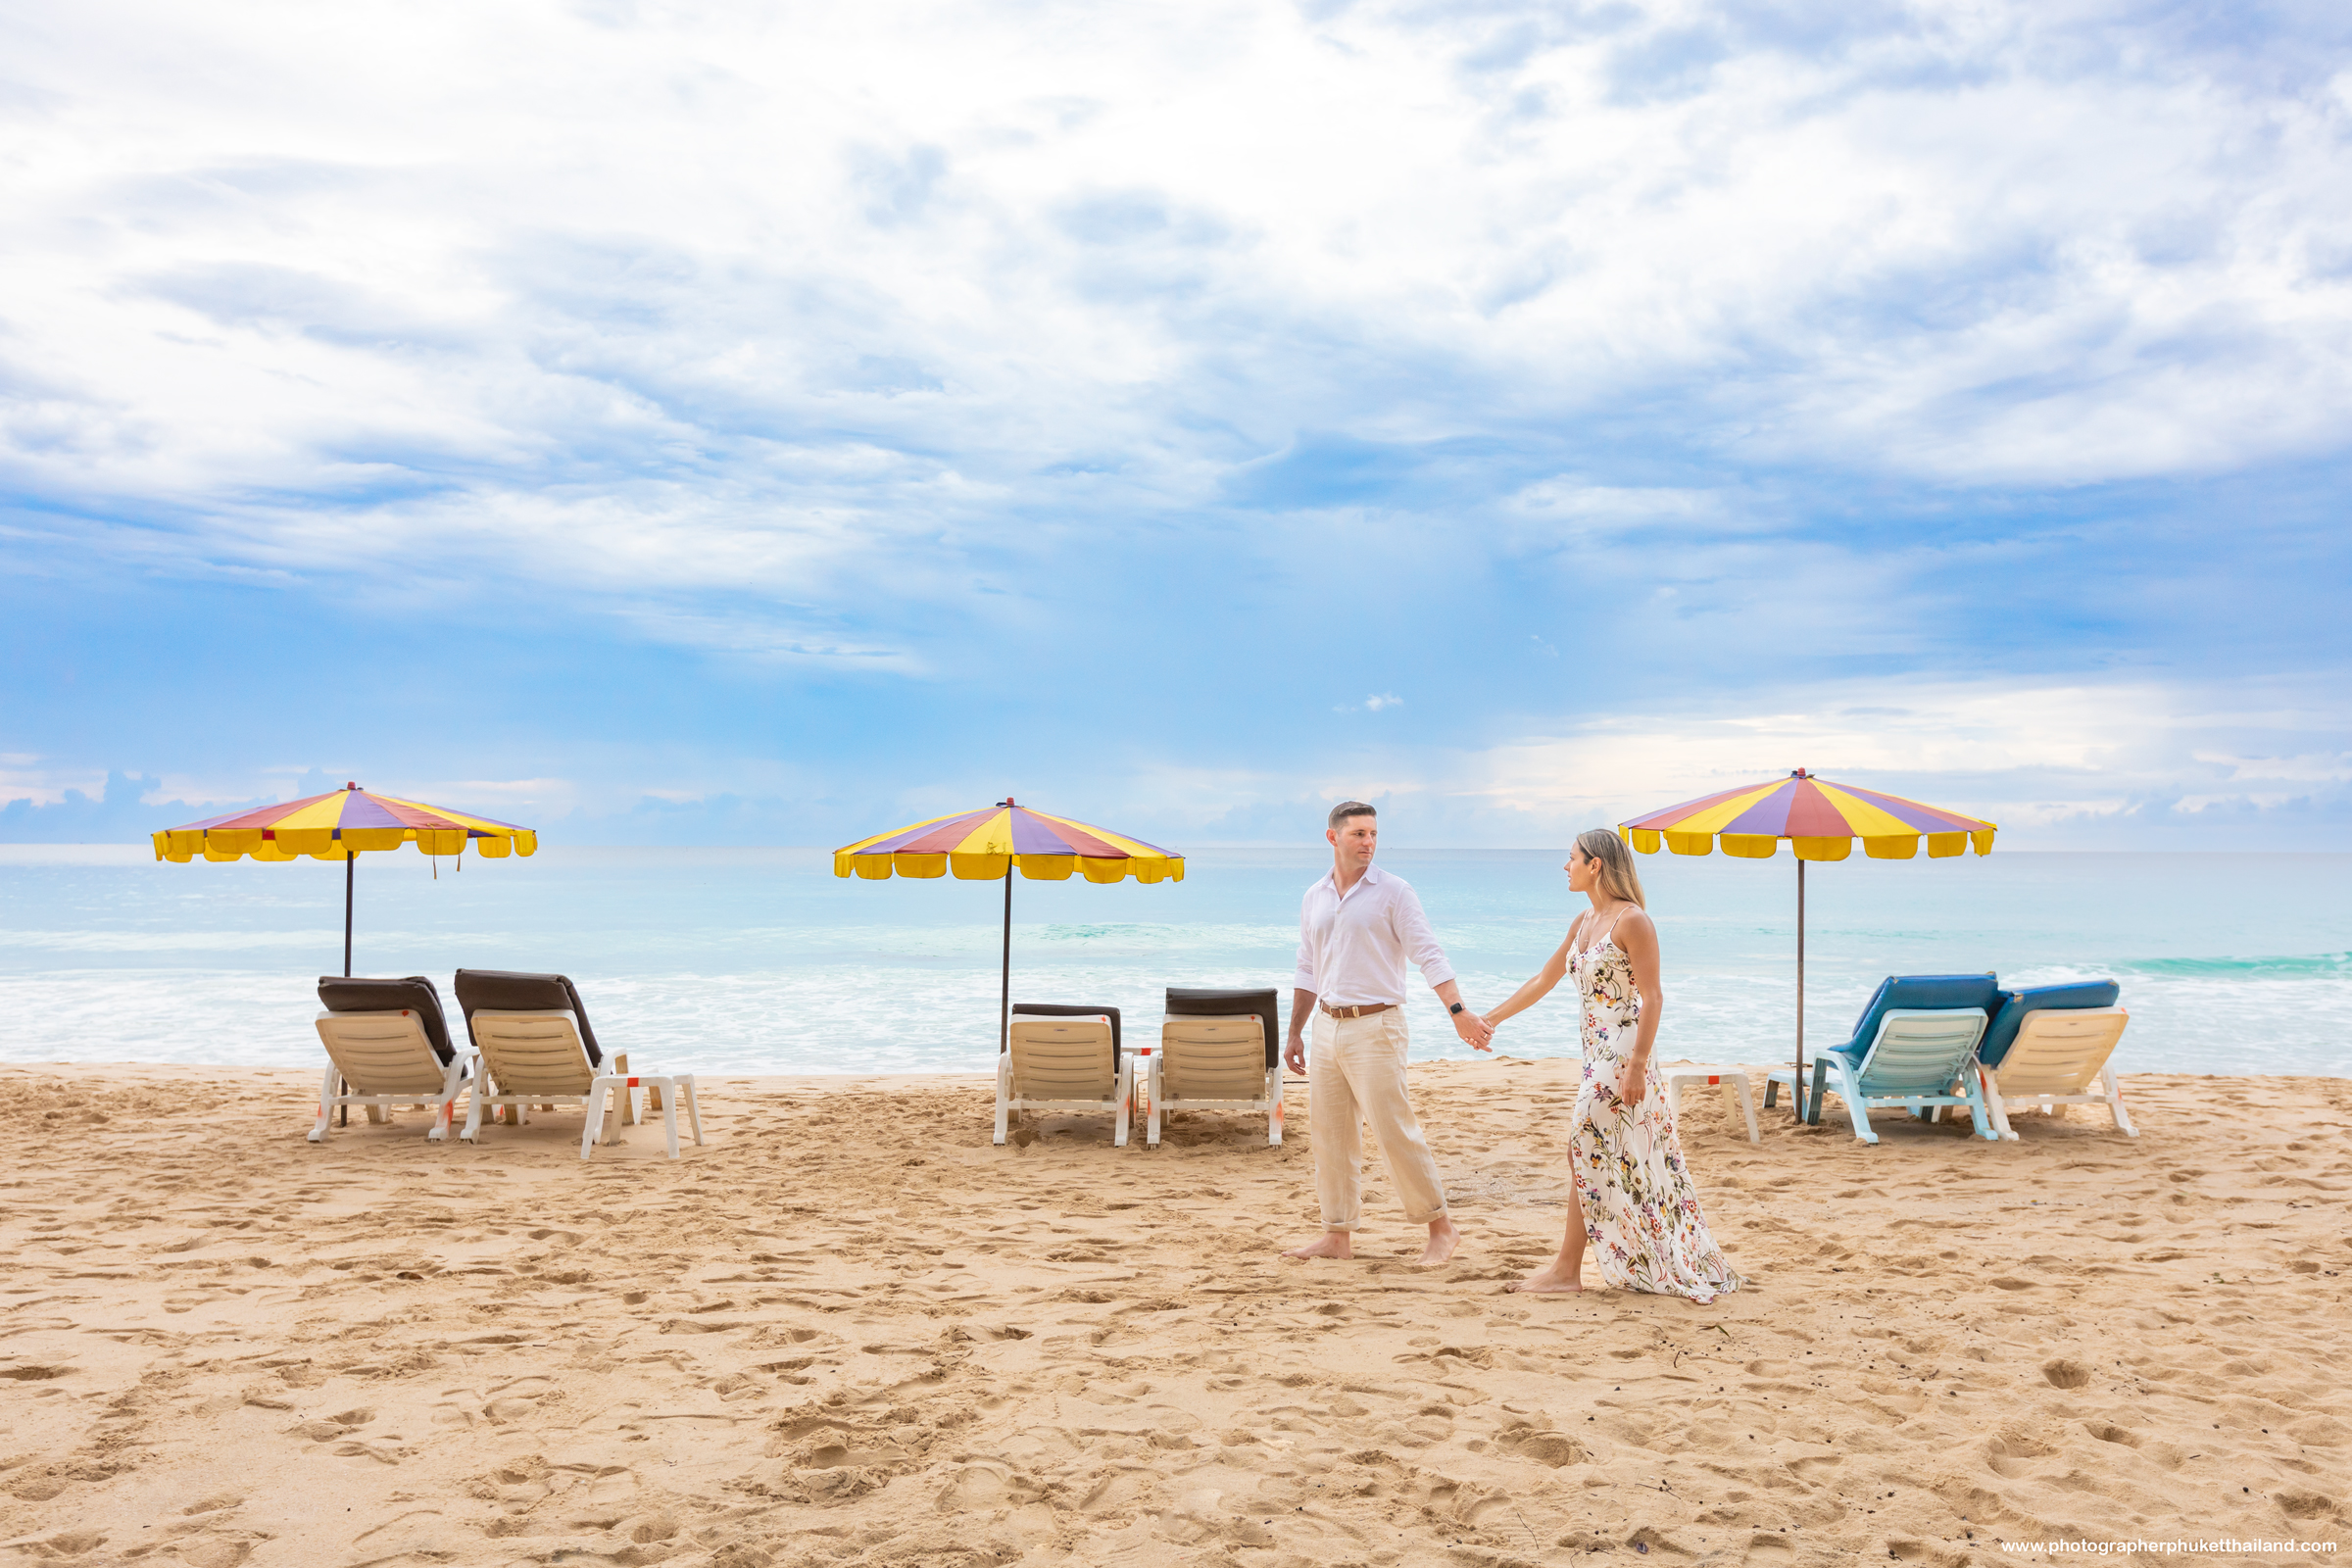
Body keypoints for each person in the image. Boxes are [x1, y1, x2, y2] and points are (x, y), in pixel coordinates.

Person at [1482, 828, 1740, 1301]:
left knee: (1584, 1143)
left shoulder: (1633, 921)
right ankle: (1574, 1265)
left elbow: (1654, 997)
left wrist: (1638, 1065)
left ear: (1595, 864)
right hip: (1594, 1053)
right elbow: (1545, 977)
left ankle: (1566, 1269)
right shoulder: (1585, 920)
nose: (1566, 866)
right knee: (1593, 1150)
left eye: (1572, 858)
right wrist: (1490, 1019)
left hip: (1623, 1053)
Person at [1281, 801, 1493, 1267]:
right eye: (1358, 834)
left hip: (1377, 1027)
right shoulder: (1313, 896)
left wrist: (1458, 1011)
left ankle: (1442, 1228)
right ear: (1333, 837)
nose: (1369, 843)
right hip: (1325, 1027)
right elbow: (1306, 966)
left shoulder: (1395, 892)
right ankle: (1337, 1235)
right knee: (1330, 1136)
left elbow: (1429, 955)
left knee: (1395, 1130)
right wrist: (1294, 1032)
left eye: (1373, 834)